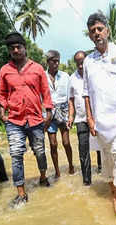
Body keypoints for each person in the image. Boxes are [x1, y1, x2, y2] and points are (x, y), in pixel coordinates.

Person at [82, 12, 116, 215]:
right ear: (89, 36)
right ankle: (114, 188)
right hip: (100, 120)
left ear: (108, 30)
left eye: (99, 29)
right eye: (92, 31)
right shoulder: (89, 61)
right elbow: (86, 92)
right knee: (107, 158)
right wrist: (89, 117)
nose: (97, 33)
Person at [0, 32, 53, 206]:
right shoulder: (5, 70)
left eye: (18, 47)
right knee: (15, 154)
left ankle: (43, 177)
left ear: (24, 48)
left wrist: (49, 113)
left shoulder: (37, 69)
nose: (15, 50)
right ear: (9, 51)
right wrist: (2, 112)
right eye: (12, 48)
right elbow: (2, 94)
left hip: (36, 119)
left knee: (40, 152)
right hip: (14, 120)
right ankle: (21, 193)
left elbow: (46, 92)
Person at [68, 50, 101, 186]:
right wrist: (70, 116)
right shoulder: (72, 79)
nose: (80, 66)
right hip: (81, 119)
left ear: (86, 61)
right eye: (78, 63)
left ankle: (103, 172)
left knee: (101, 147)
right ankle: (87, 181)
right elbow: (71, 99)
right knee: (83, 150)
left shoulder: (95, 74)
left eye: (82, 62)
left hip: (97, 118)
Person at [45, 50, 74, 178]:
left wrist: (71, 115)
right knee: (53, 144)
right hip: (49, 111)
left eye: (58, 61)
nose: (56, 64)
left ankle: (71, 165)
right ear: (48, 62)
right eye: (53, 61)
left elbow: (70, 98)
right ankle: (57, 171)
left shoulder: (65, 76)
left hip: (63, 110)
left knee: (66, 142)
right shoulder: (42, 76)